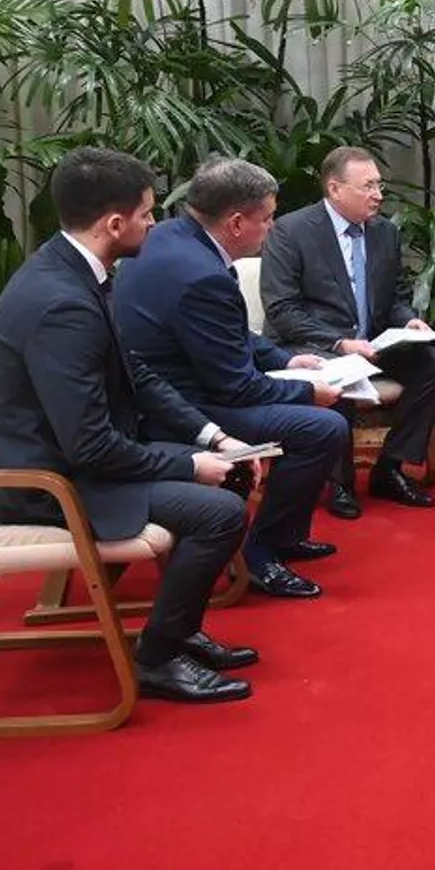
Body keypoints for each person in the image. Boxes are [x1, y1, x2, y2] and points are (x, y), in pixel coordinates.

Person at [0, 147, 259, 704]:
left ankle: (178, 631)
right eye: (149, 215)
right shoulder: (62, 304)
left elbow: (137, 375)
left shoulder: (76, 271)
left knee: (226, 476)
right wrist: (190, 464)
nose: (155, 226)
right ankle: (157, 658)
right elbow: (87, 445)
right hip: (49, 481)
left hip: (79, 455)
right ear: (114, 224)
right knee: (221, 510)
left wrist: (212, 437)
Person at [116, 156, 352, 599]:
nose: (273, 227)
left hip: (177, 384)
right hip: (179, 407)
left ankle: (284, 536)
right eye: (269, 218)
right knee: (323, 426)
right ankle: (262, 555)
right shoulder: (201, 275)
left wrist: (283, 358)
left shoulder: (172, 236)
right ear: (237, 222)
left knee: (317, 413)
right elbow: (236, 387)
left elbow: (227, 333)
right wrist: (306, 391)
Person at [259, 145, 435, 517]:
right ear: (334, 189)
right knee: (341, 371)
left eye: (379, 185)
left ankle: (390, 468)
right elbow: (282, 310)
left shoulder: (384, 233)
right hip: (315, 344)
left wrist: (407, 319)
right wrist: (340, 342)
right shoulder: (291, 231)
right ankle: (339, 483)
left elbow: (393, 298)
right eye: (368, 186)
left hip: (372, 343)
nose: (378, 195)